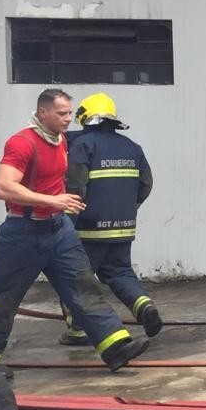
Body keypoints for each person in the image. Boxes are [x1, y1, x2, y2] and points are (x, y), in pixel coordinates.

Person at [0, 89, 148, 378]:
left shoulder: (63, 140)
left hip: (58, 229)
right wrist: (53, 201)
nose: (68, 119)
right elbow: (3, 187)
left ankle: (115, 346)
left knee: (83, 285)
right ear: (42, 114)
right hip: (23, 232)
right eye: (62, 114)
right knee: (3, 297)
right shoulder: (22, 143)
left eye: (70, 113)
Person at [58, 92, 162, 345]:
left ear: (85, 117)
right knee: (120, 272)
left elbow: (75, 187)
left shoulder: (83, 146)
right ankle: (144, 307)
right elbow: (146, 184)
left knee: (76, 277)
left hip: (88, 229)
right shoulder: (132, 147)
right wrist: (127, 209)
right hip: (123, 227)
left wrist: (66, 224)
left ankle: (77, 330)